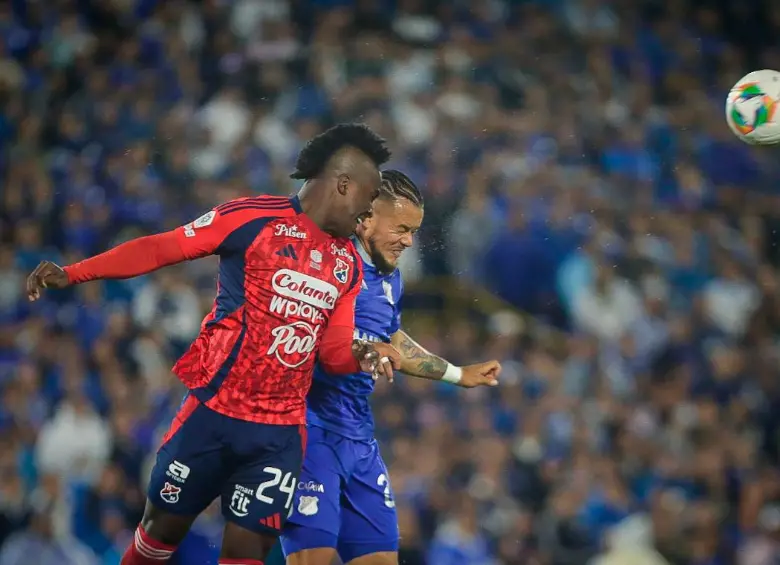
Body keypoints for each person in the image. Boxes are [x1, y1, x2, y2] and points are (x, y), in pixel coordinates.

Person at [25, 123, 403, 565]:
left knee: (245, 553)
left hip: (278, 436)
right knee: (157, 536)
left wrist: (364, 354)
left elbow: (333, 354)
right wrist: (75, 272)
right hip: (212, 415)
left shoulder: (347, 266)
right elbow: (160, 248)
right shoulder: (252, 218)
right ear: (343, 184)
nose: (369, 211)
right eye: (369, 194)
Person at [277, 170, 502, 565]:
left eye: (414, 231)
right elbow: (296, 333)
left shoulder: (389, 280)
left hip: (358, 438)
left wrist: (457, 374)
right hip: (306, 429)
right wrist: (359, 348)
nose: (409, 241)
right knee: (313, 559)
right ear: (364, 218)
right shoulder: (321, 263)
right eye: (400, 228)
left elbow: (392, 339)